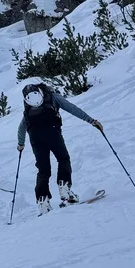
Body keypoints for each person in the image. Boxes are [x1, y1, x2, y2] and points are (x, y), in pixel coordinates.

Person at [15, 82, 102, 214]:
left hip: (35, 138)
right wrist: (91, 121)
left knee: (43, 169)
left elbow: (22, 127)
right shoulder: (53, 96)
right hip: (53, 132)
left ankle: (43, 201)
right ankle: (65, 190)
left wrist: (21, 144)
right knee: (63, 158)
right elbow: (72, 108)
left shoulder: (28, 106)